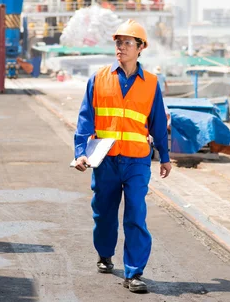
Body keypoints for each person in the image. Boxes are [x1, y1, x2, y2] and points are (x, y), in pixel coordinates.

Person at [73, 19, 172, 293]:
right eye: (118, 42)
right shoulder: (99, 78)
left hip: (137, 161)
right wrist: (80, 153)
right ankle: (105, 255)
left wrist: (165, 156)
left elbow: (157, 123)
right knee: (104, 213)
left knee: (135, 215)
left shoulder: (151, 83)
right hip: (105, 161)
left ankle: (134, 273)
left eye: (128, 42)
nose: (121, 47)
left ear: (141, 48)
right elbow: (85, 119)